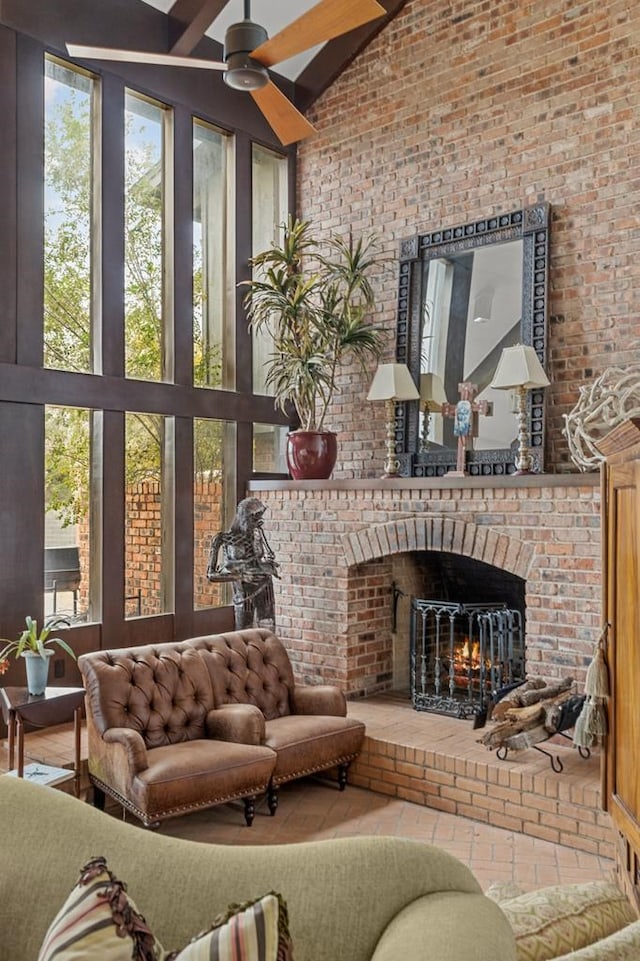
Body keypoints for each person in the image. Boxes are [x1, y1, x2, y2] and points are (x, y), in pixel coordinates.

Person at [207, 497, 279, 630]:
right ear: (243, 516)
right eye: (254, 519)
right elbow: (211, 575)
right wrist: (241, 576)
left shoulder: (256, 535)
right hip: (243, 592)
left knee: (268, 631)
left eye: (259, 519)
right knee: (243, 633)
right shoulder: (222, 539)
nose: (257, 523)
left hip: (265, 587)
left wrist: (268, 566)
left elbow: (259, 560)